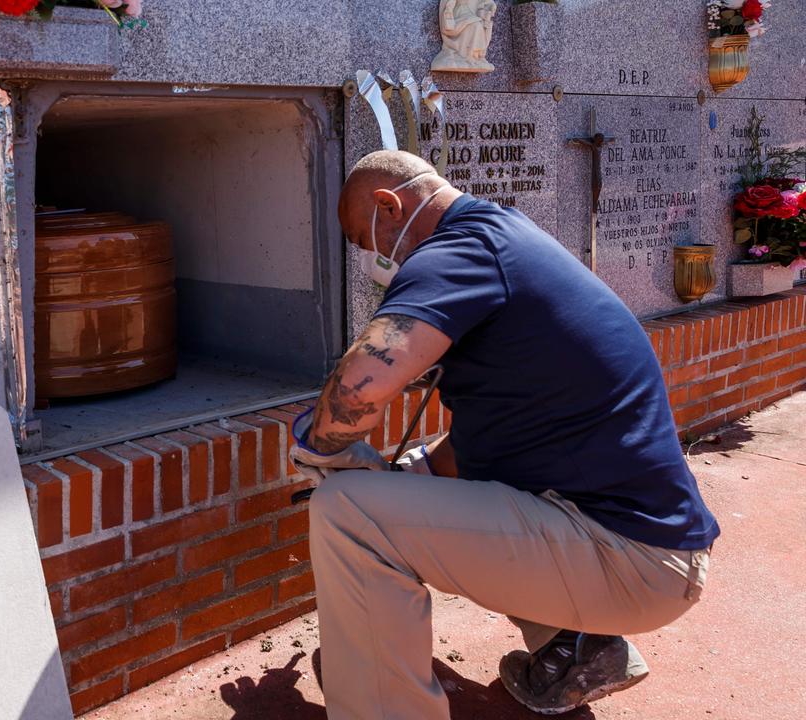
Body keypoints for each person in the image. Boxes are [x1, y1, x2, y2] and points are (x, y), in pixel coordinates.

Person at [290, 150, 719, 719]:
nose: (370, 257)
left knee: (348, 513)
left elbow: (363, 385)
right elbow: (475, 452)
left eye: (361, 239)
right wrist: (402, 479)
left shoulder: (459, 253)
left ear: (388, 208)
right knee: (414, 478)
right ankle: (575, 648)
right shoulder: (502, 237)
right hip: (644, 548)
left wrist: (317, 447)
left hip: (629, 559)